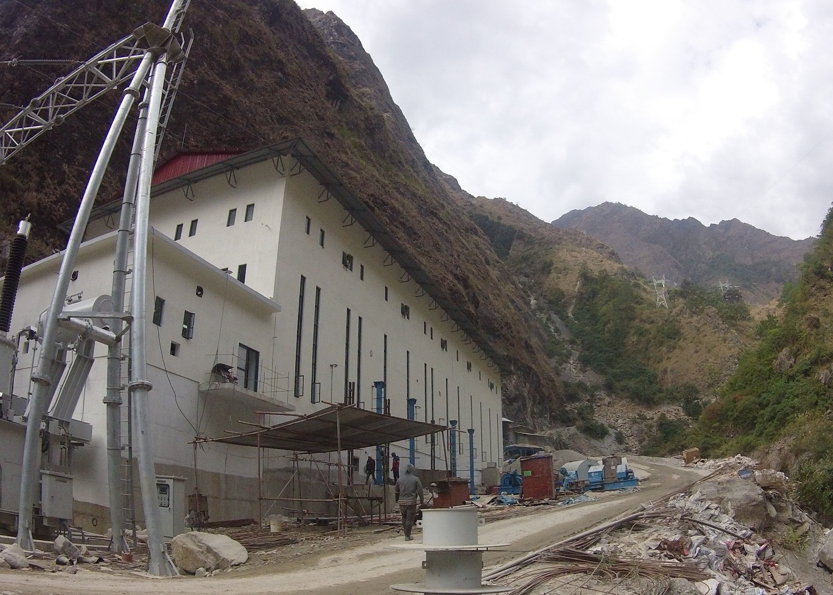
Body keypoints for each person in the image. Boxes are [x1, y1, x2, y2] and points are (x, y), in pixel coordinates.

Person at [395, 463, 424, 540]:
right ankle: (407, 536)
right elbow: (420, 491)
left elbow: (396, 491)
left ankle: (406, 534)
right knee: (410, 519)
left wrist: (397, 500)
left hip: (402, 502)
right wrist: (422, 501)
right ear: (412, 470)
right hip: (411, 502)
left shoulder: (399, 479)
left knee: (404, 518)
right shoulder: (415, 479)